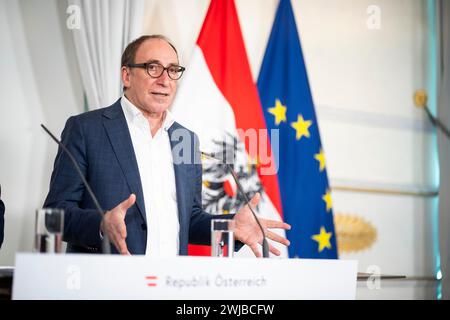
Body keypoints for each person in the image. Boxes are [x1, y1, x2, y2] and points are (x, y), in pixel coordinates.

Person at [44, 35, 290, 256]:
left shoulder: (185, 138)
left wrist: (230, 227)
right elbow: (54, 215)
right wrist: (100, 224)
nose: (165, 80)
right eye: (153, 68)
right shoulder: (87, 129)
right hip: (106, 282)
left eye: (173, 70)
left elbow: (189, 219)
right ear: (127, 75)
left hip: (170, 284)